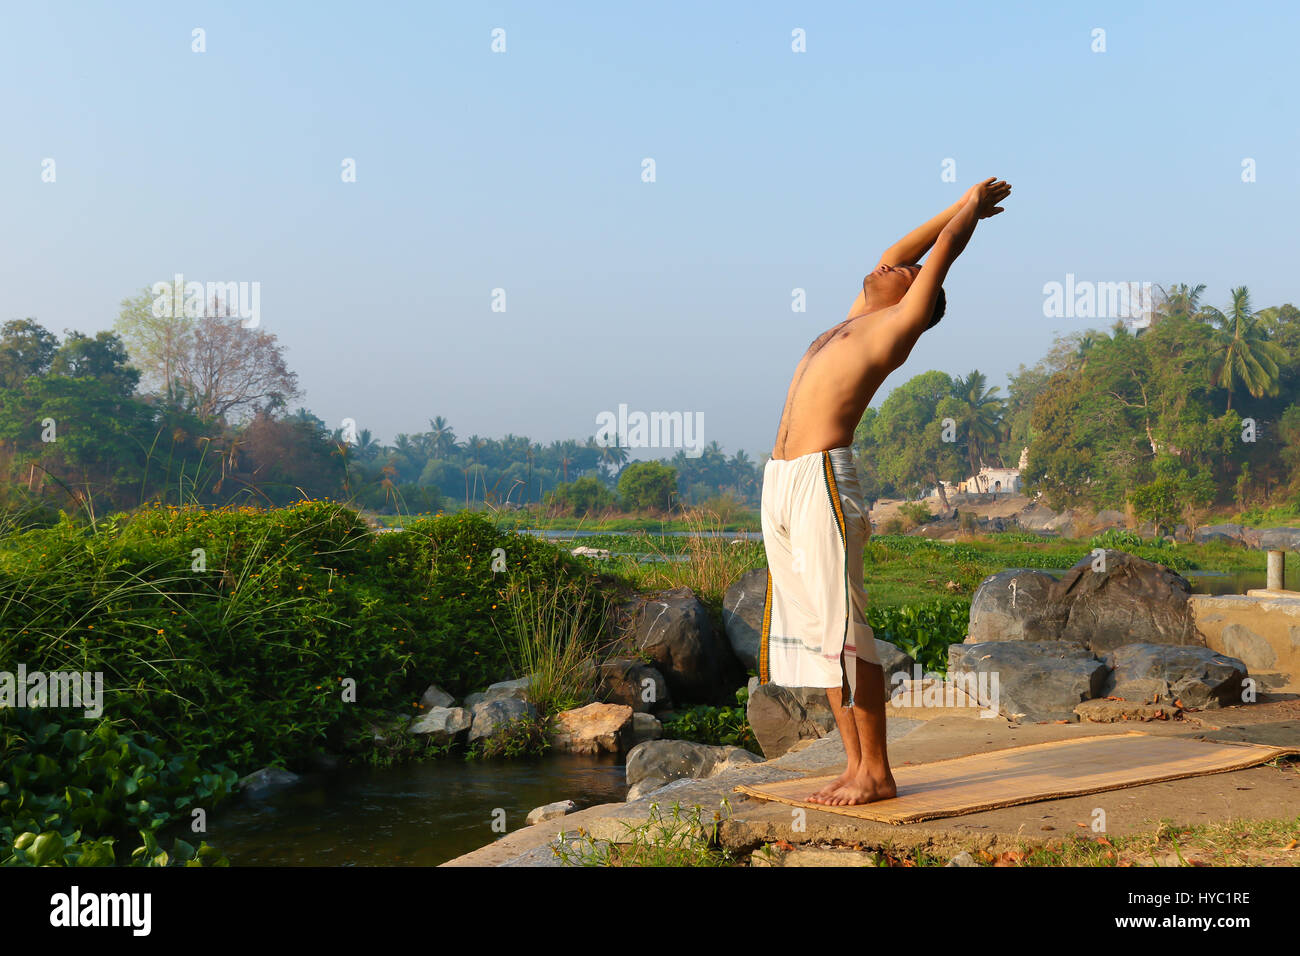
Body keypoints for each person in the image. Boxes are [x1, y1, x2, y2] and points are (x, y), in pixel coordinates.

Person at [758, 177, 1012, 806]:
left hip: (822, 480)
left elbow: (941, 254)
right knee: (820, 640)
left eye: (908, 273)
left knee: (846, 633)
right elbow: (898, 251)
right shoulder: (853, 320)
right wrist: (955, 206)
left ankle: (878, 770)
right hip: (782, 483)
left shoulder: (897, 326)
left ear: (914, 299)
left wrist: (971, 212)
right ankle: (854, 766)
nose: (894, 267)